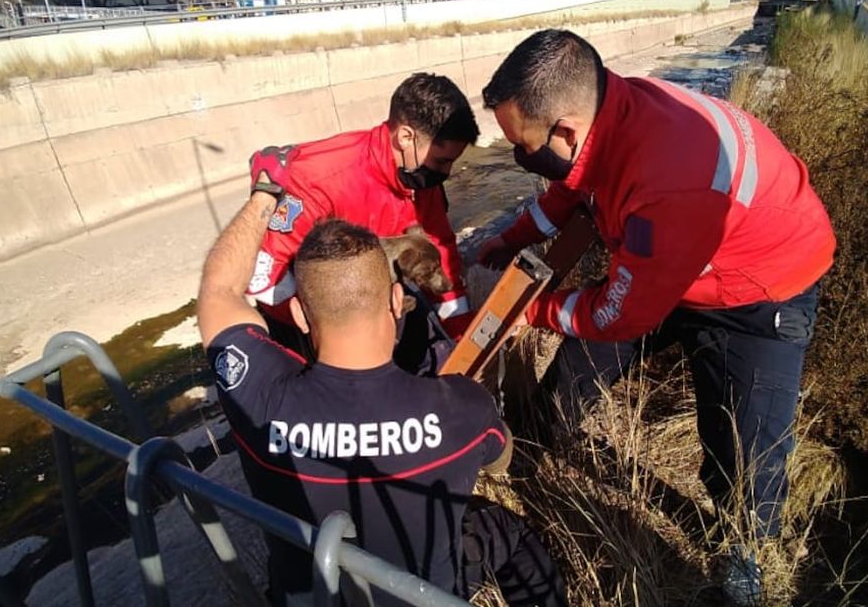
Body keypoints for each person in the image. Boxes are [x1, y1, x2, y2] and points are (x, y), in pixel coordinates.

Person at [477, 29, 835, 605]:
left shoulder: (670, 177)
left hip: (758, 288)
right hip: (674, 259)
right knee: (577, 368)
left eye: (525, 149)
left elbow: (620, 315)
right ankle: (536, 451)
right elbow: (571, 189)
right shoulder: (613, 110)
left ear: (566, 130)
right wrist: (509, 240)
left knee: (746, 443)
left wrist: (535, 310)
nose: (522, 160)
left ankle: (745, 552)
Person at [198, 191, 567, 606]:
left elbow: (219, 290)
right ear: (396, 301)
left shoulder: (256, 394)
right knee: (506, 532)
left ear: (300, 313)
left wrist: (264, 196)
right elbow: (499, 456)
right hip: (420, 596)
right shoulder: (462, 406)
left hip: (310, 595)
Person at [246, 72, 479, 373]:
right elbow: (264, 277)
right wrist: (332, 331)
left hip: (381, 300)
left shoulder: (420, 178)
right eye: (441, 162)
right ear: (405, 137)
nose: (446, 173)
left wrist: (458, 322)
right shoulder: (320, 176)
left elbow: (439, 245)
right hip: (312, 318)